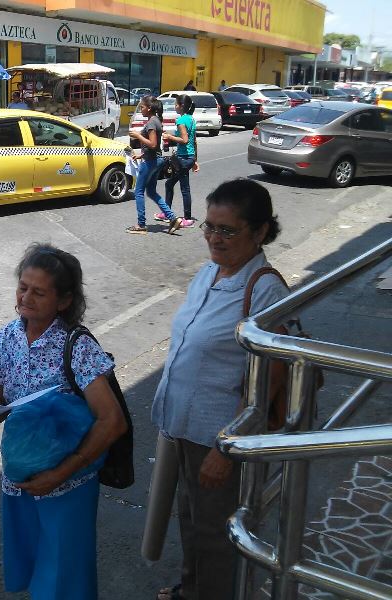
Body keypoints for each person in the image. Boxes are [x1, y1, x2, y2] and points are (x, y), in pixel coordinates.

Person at [151, 179, 289, 600]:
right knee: (191, 520)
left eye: (227, 230)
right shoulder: (209, 272)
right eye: (209, 226)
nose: (214, 237)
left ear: (259, 231)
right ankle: (193, 590)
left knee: (217, 534)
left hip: (218, 436)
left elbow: (272, 375)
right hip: (183, 426)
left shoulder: (265, 289)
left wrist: (226, 447)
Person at [0, 243, 126, 600]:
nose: (26, 298)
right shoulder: (7, 337)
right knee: (33, 562)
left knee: (65, 576)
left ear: (64, 300)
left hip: (68, 484)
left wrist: (61, 473)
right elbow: (0, 401)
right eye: (23, 287)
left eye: (39, 292)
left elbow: (112, 421)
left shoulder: (77, 346)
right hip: (20, 479)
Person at [127, 96, 183, 235]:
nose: (141, 109)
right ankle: (173, 218)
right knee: (151, 192)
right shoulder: (156, 120)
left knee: (138, 192)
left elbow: (152, 144)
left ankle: (141, 224)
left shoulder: (152, 122)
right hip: (155, 160)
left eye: (142, 107)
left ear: (149, 108)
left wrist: (138, 136)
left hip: (150, 162)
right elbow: (155, 147)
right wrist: (141, 155)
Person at [157, 94, 199, 228]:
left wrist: (169, 137)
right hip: (189, 157)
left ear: (181, 106)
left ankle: (187, 219)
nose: (174, 106)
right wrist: (195, 160)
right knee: (169, 184)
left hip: (183, 159)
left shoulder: (181, 121)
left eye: (175, 104)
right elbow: (194, 141)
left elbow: (185, 140)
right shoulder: (191, 119)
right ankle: (167, 213)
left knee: (184, 188)